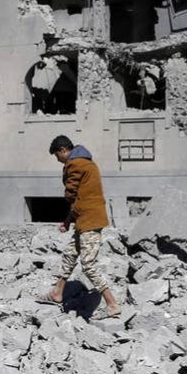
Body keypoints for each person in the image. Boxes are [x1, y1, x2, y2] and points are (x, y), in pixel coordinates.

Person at [40, 135, 121, 318]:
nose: (58, 160)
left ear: (63, 150)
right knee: (70, 254)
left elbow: (71, 194)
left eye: (57, 156)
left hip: (90, 222)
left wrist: (66, 188)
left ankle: (112, 304)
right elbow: (82, 198)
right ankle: (57, 293)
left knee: (88, 265)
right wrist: (69, 220)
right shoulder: (86, 163)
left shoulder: (75, 164)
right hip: (85, 220)